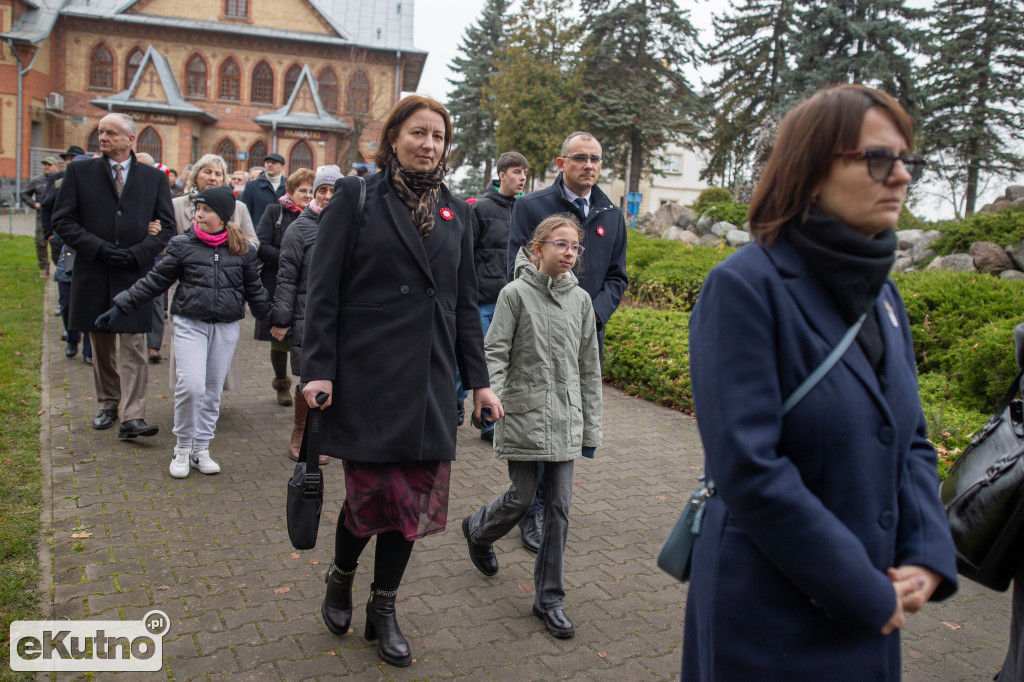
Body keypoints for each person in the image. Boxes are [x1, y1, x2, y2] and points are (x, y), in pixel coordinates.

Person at [682, 84, 958, 680]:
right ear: (810, 166)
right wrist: (861, 588)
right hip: (769, 621)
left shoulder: (883, 294)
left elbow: (910, 439)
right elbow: (749, 467)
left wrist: (929, 552)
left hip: (872, 612)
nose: (903, 176)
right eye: (880, 158)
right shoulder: (744, 286)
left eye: (910, 160)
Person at [301, 95, 503, 668]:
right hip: (367, 376)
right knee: (369, 498)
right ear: (393, 138)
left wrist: (480, 382)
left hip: (431, 382)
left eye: (438, 137)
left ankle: (383, 606)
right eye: (418, 133)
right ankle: (341, 576)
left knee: (410, 504)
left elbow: (466, 306)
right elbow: (324, 290)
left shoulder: (457, 213)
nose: (429, 145)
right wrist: (317, 368)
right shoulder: (357, 197)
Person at [462, 213, 601, 640]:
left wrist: (591, 428)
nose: (569, 252)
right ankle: (479, 530)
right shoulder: (514, 294)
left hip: (565, 417)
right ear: (537, 248)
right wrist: (491, 397)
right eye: (560, 244)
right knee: (522, 498)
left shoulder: (581, 301)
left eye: (575, 246)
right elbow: (496, 352)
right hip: (522, 413)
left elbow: (588, 368)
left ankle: (550, 600)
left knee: (557, 508)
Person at [95, 186, 271, 478]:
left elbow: (256, 292)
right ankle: (182, 447)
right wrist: (120, 308)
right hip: (190, 325)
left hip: (226, 328)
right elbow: (153, 282)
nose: (198, 215)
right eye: (197, 209)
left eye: (206, 210)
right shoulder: (182, 244)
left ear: (224, 216)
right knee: (191, 387)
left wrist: (278, 324)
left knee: (212, 392)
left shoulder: (242, 249)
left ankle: (201, 448)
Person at [506, 131, 628, 553]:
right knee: (536, 414)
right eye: (580, 157)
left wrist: (592, 313)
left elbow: (618, 276)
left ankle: (546, 504)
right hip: (535, 336)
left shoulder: (611, 213)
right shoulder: (532, 207)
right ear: (562, 163)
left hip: (585, 335)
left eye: (596, 158)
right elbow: (518, 267)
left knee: (567, 416)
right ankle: (528, 507)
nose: (589, 165)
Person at [52, 112, 175, 439]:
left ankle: (132, 416)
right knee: (102, 342)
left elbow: (168, 228)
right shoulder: (79, 171)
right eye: (101, 132)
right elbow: (62, 221)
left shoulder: (153, 178)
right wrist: (99, 249)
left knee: (134, 344)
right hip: (94, 270)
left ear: (130, 139)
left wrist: (139, 252)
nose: (103, 137)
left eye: (111, 133)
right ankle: (109, 404)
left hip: (134, 275)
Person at [269, 165, 340, 462]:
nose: (325, 196)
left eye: (331, 191)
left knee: (334, 376)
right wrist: (281, 320)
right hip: (305, 314)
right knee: (307, 377)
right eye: (320, 190)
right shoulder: (299, 228)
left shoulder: (345, 225)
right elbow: (285, 278)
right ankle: (299, 434)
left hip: (339, 314)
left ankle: (323, 437)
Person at [159, 155, 259, 363]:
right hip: (187, 289)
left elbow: (252, 242)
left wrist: (232, 250)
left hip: (224, 291)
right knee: (188, 367)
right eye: (207, 172)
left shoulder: (237, 208)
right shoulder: (176, 205)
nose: (212, 177)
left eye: (218, 173)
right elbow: (165, 243)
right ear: (196, 175)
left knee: (217, 367)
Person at [462, 151, 529, 441]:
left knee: (503, 365)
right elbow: (466, 255)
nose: (522, 177)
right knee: (473, 362)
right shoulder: (480, 209)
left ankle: (490, 422)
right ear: (502, 175)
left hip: (514, 303)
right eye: (516, 172)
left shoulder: (525, 210)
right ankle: (453, 410)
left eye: (525, 172)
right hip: (484, 300)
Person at [256, 168, 315, 406]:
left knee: (305, 337)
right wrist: (290, 256)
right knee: (279, 338)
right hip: (279, 282)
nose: (308, 195)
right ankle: (282, 383)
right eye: (303, 190)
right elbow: (261, 245)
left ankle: (305, 384)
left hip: (308, 287)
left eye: (312, 190)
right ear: (290, 192)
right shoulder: (275, 213)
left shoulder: (321, 216)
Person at [21, 155, 61, 277]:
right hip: (42, 217)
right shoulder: (37, 180)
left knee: (59, 243)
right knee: (40, 242)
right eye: (44, 165)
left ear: (56, 166)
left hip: (59, 217)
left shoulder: (61, 179)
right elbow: (24, 194)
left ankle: (61, 266)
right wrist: (34, 204)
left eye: (49, 165)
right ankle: (44, 267)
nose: (46, 167)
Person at [240, 153, 286, 225]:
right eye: (267, 162)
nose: (270, 165)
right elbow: (245, 212)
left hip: (282, 233)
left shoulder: (289, 186)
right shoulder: (252, 186)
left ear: (282, 167)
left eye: (274, 163)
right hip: (258, 232)